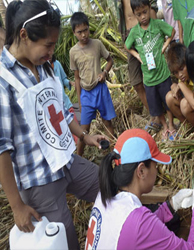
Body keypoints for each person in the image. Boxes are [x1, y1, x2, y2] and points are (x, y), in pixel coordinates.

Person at [0, 1, 108, 249]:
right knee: (65, 240)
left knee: (108, 185)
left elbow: (60, 111)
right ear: (24, 35)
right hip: (39, 180)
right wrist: (17, 206)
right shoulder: (3, 80)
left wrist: (84, 136)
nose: (51, 53)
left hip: (66, 160)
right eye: (48, 45)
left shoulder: (45, 66)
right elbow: (2, 148)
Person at [85, 128, 194, 249]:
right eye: (156, 165)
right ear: (141, 171)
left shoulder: (105, 195)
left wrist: (171, 205)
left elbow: (139, 231)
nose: (157, 171)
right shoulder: (139, 222)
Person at [125, 0, 176, 140]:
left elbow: (172, 31)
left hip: (163, 74)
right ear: (135, 15)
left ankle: (171, 125)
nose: (143, 16)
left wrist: (165, 46)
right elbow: (127, 46)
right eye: (139, 14)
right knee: (156, 106)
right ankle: (165, 127)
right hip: (149, 79)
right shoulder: (135, 32)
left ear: (149, 8)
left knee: (167, 103)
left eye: (145, 12)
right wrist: (138, 56)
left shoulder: (158, 24)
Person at [70, 12, 116, 156]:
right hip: (86, 94)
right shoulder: (73, 52)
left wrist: (104, 73)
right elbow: (77, 78)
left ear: (89, 28)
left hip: (100, 90)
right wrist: (80, 100)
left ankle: (113, 154)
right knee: (84, 131)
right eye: (79, 32)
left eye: (85, 30)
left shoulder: (97, 44)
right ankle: (80, 157)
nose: (83, 34)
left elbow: (110, 60)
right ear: (74, 33)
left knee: (108, 123)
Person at [117, 0, 162, 132]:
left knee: (154, 75)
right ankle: (154, 115)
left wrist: (154, 33)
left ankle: (161, 116)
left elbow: (152, 7)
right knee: (136, 82)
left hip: (145, 33)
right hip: (129, 36)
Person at [165, 43, 194, 131]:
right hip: (193, 107)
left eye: (182, 69)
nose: (180, 75)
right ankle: (188, 127)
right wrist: (174, 86)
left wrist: (180, 85)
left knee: (184, 104)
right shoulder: (182, 76)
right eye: (176, 73)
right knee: (169, 97)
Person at [50, 54, 79, 143]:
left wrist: (70, 82)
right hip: (54, 107)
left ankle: (78, 148)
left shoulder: (57, 64)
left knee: (76, 130)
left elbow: (64, 79)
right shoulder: (40, 68)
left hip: (65, 102)